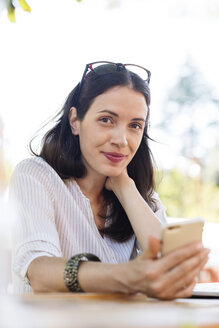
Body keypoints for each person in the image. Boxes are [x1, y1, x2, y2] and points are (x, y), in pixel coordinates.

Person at [9, 61, 209, 299]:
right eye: (106, 120)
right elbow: (39, 272)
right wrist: (127, 276)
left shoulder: (139, 193)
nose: (122, 140)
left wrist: (125, 187)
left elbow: (173, 272)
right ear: (75, 121)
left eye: (135, 125)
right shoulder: (35, 175)